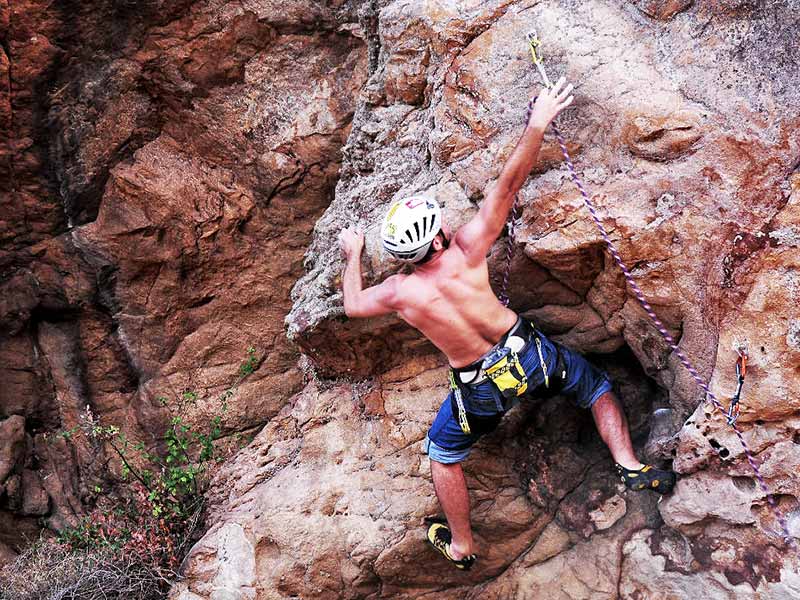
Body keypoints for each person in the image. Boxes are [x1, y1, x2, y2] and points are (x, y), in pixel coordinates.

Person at [338, 78, 676, 571]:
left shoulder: (397, 293)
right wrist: (538, 122)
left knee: (444, 454)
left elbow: (351, 305)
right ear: (436, 243)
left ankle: (461, 546)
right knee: (596, 386)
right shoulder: (469, 249)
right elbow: (508, 185)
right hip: (529, 354)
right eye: (439, 228)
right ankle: (629, 465)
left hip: (480, 386)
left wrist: (353, 254)